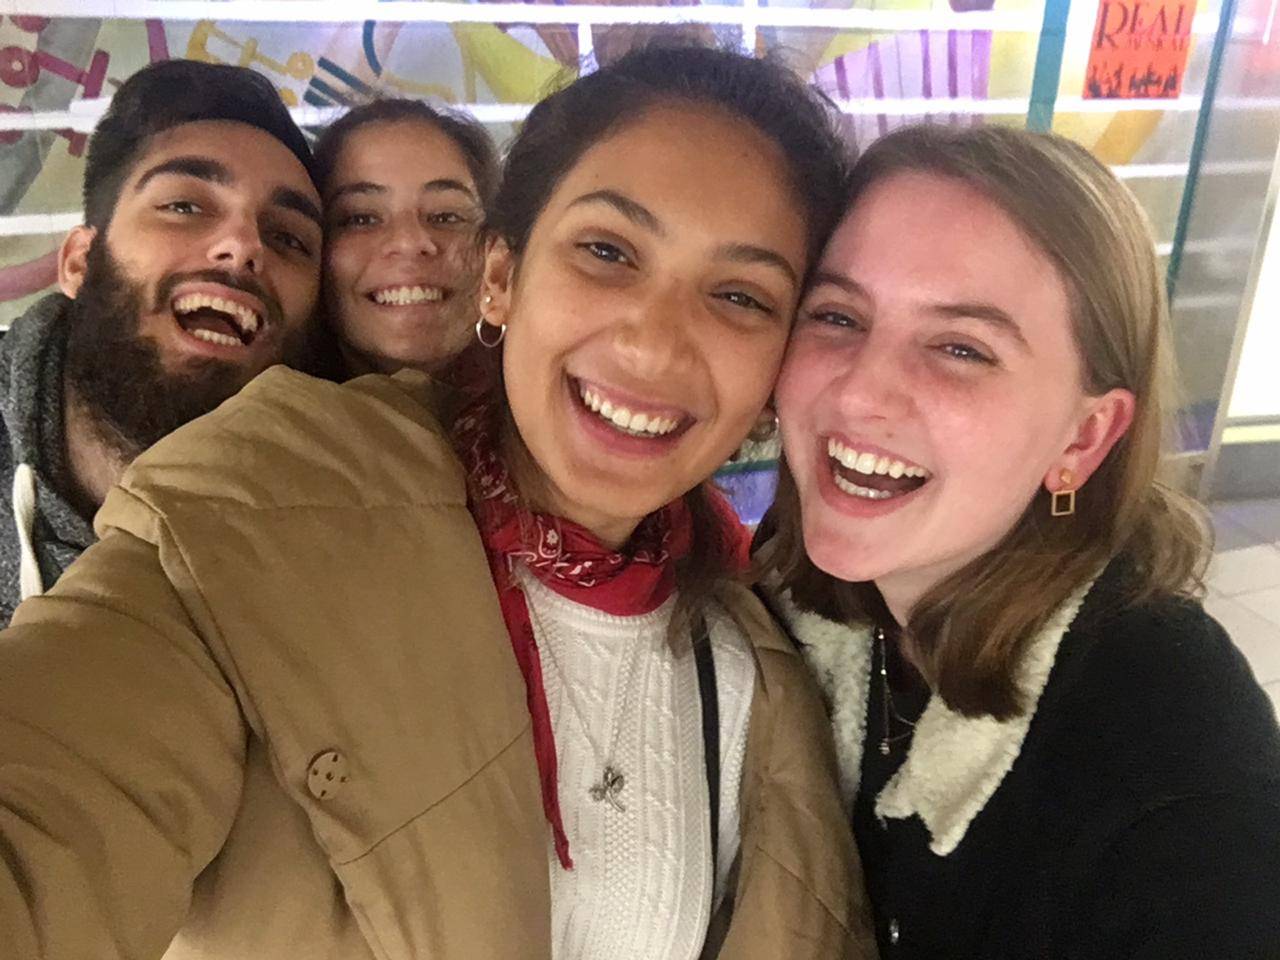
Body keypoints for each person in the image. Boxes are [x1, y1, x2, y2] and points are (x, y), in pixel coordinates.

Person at [0, 45, 875, 959]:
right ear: (499, 278)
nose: (655, 345)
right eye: (608, 252)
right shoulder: (263, 511)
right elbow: (54, 799)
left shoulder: (765, 661)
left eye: (739, 294)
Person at [756, 123, 1280, 957]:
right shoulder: (784, 585)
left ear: (1083, 437)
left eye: (962, 347)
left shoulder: (1178, 766)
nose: (860, 392)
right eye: (838, 315)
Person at [0, 59, 324, 625]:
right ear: (79, 262)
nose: (244, 245)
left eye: (289, 238)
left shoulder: (348, 527)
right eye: (185, 206)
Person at [311, 99, 498, 380]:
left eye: (445, 216)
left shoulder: (561, 407)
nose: (410, 242)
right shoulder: (257, 418)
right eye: (362, 219)